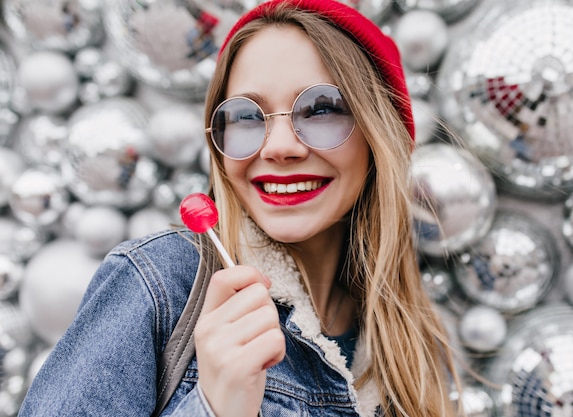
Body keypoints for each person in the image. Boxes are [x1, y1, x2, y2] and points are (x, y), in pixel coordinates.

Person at [19, 0, 460, 415]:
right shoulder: (160, 283)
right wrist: (214, 404)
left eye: (322, 109)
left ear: (380, 136)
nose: (281, 147)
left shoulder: (415, 350)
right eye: (248, 116)